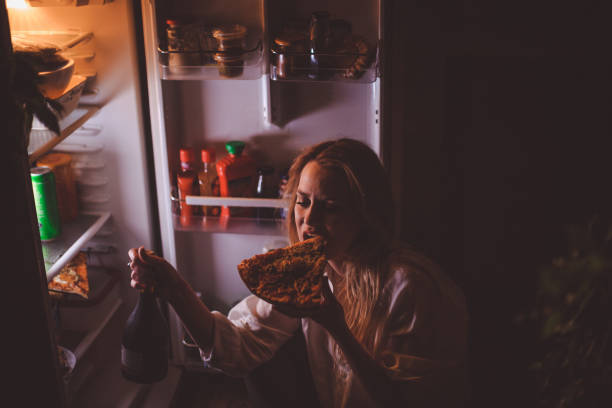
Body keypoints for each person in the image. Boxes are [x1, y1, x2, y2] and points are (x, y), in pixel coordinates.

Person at [128, 138, 469, 408]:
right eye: (303, 201)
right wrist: (173, 287)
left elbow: (407, 402)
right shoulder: (307, 273)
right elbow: (236, 349)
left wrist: (336, 325)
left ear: (366, 214)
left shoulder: (411, 290)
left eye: (331, 207)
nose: (310, 219)